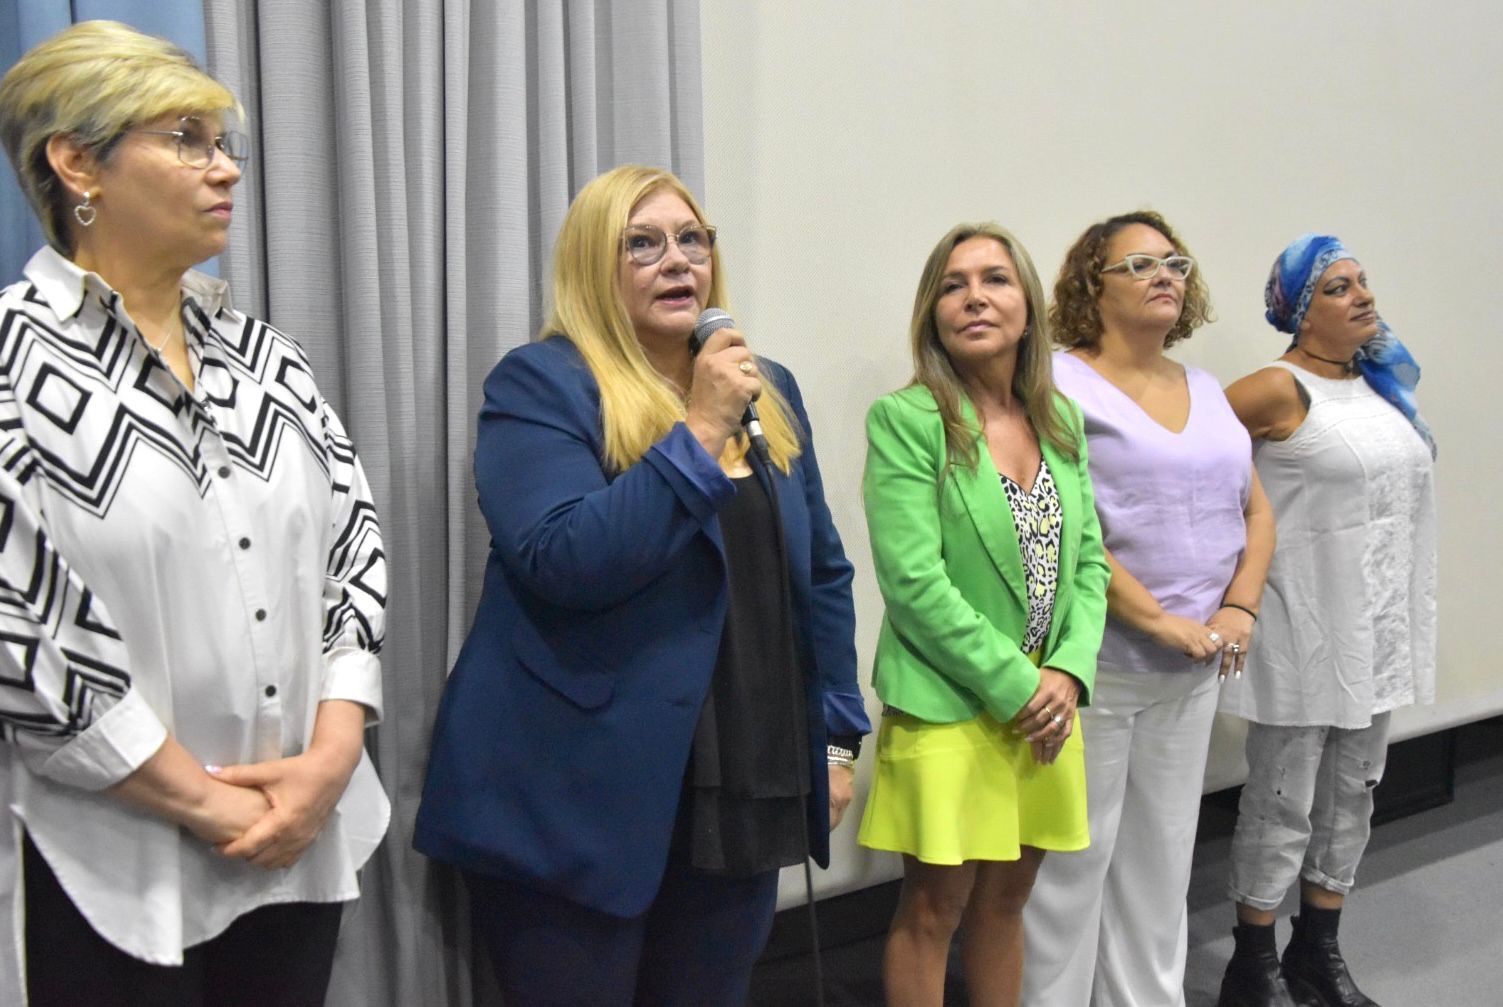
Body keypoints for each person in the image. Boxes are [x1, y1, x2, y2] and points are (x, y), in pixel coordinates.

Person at [413, 164, 869, 1005]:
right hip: (577, 794)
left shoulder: (766, 385)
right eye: (643, 244)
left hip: (744, 781)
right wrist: (698, 429)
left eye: (692, 240)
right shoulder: (543, 383)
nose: (677, 262)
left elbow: (820, 576)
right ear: (595, 263)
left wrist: (836, 741)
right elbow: (565, 559)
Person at [0, 21, 389, 1006]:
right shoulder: (13, 364)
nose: (223, 170)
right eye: (186, 138)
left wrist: (330, 759)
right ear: (75, 161)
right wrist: (207, 800)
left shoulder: (267, 356)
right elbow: (21, 628)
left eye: (224, 144)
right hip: (110, 865)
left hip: (297, 843)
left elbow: (355, 550)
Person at [1022, 210, 1275, 1007]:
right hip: (1094, 667)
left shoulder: (1203, 388)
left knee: (1160, 864)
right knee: (1069, 867)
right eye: (1139, 265)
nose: (1165, 275)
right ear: (1089, 286)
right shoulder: (1059, 384)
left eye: (1173, 263)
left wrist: (1239, 607)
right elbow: (1067, 526)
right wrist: (1153, 617)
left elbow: (1255, 511)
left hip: (1191, 671)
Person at [857, 222, 1110, 1006]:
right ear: (931, 311)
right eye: (952, 283)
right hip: (952, 704)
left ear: (1028, 308)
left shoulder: (1058, 422)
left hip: (1046, 708)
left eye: (994, 279)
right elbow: (913, 583)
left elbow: (1091, 564)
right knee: (935, 909)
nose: (973, 297)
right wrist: (1020, 686)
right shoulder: (907, 419)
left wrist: (1067, 669)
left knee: (1006, 903)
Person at [1214, 234, 1436, 1007]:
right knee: (1281, 799)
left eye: (1363, 281)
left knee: (1353, 790)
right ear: (1302, 312)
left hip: (1372, 630)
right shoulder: (1274, 389)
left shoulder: (1377, 387)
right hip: (1300, 632)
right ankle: (1253, 963)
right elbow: (1191, 458)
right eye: (1339, 287)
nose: (1363, 296)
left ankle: (1318, 950)